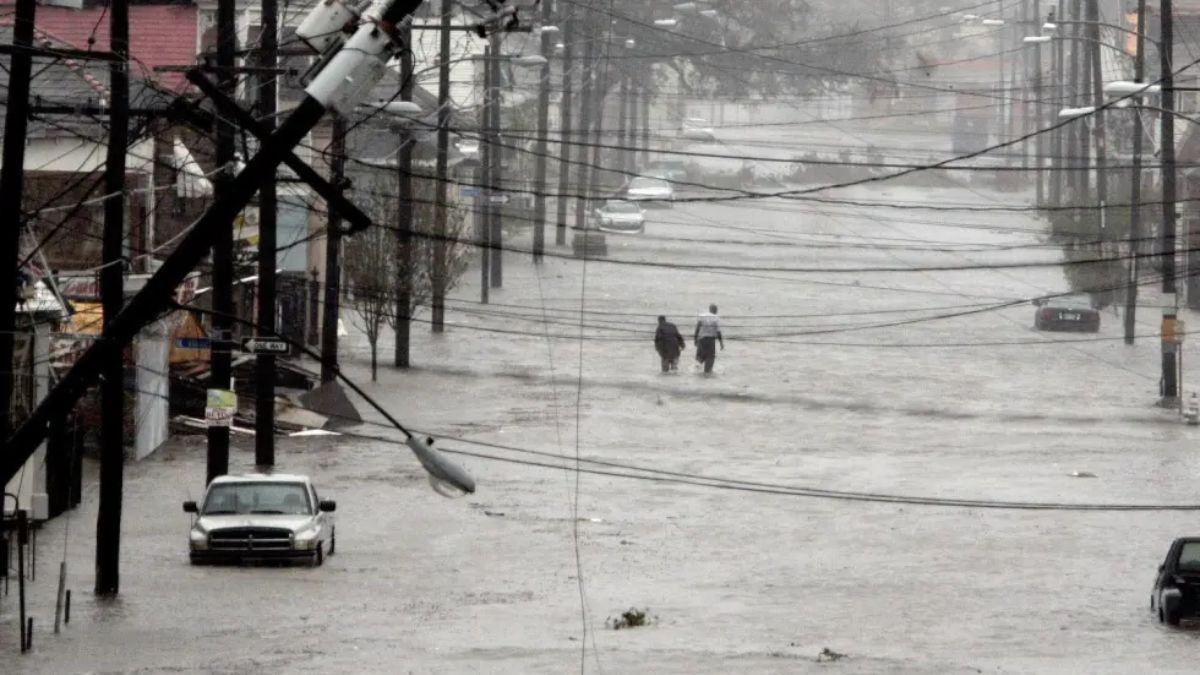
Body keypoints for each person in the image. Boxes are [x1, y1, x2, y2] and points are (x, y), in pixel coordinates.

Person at [693, 304, 724, 374]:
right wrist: (721, 343)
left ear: (709, 309)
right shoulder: (716, 318)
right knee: (710, 358)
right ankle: (707, 373)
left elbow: (697, 328)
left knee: (700, 357)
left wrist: (695, 339)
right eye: (716, 310)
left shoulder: (702, 316)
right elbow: (718, 332)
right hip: (711, 341)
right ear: (715, 310)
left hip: (702, 340)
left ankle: (696, 370)